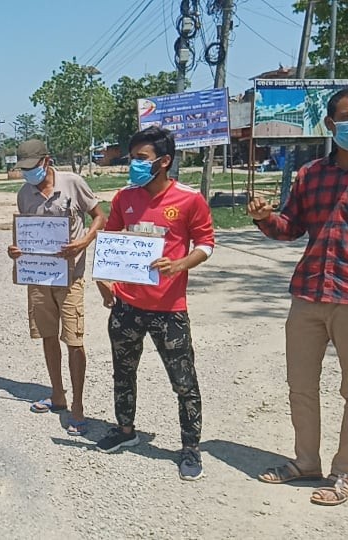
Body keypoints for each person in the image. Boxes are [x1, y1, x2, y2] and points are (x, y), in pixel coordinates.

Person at [251, 86, 348, 506]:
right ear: (330, 124)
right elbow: (291, 227)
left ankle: (344, 473)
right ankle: (306, 462)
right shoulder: (311, 174)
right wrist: (265, 217)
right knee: (300, 386)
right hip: (308, 294)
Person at [95, 127, 215, 481]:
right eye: (131, 157)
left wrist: (180, 264)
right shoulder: (124, 198)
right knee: (123, 371)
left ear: (164, 162)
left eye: (141, 159)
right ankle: (125, 429)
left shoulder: (189, 199)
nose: (133, 164)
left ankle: (190, 448)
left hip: (169, 309)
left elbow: (206, 244)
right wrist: (105, 281)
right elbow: (112, 239)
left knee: (183, 381)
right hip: (127, 305)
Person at [6, 139, 106, 434]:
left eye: (32, 167)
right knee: (47, 336)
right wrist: (16, 252)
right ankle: (58, 394)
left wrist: (83, 242)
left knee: (74, 341)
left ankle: (78, 405)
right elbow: (24, 236)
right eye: (23, 169)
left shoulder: (73, 183)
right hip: (38, 278)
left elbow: (99, 217)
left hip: (70, 277)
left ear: (46, 161)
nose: (28, 174)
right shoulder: (24, 194)